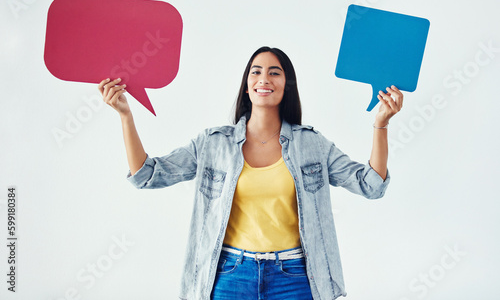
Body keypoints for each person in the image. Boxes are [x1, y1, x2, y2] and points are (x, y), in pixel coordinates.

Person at [98, 46, 403, 300]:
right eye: (256, 71)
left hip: (295, 278)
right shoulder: (213, 144)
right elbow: (147, 175)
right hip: (230, 277)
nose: (264, 78)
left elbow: (370, 185)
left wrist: (381, 124)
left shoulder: (312, 145)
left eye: (274, 72)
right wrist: (125, 115)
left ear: (286, 85)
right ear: (247, 85)